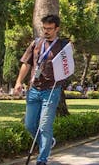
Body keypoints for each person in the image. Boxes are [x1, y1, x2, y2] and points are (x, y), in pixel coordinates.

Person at [14, 14, 67, 165]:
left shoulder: (62, 45)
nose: (46, 31)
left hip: (51, 90)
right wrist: (19, 81)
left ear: (57, 29)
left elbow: (68, 66)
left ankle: (42, 159)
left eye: (50, 29)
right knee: (30, 125)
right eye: (44, 28)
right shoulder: (36, 43)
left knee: (44, 125)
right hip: (34, 89)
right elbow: (26, 63)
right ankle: (48, 142)